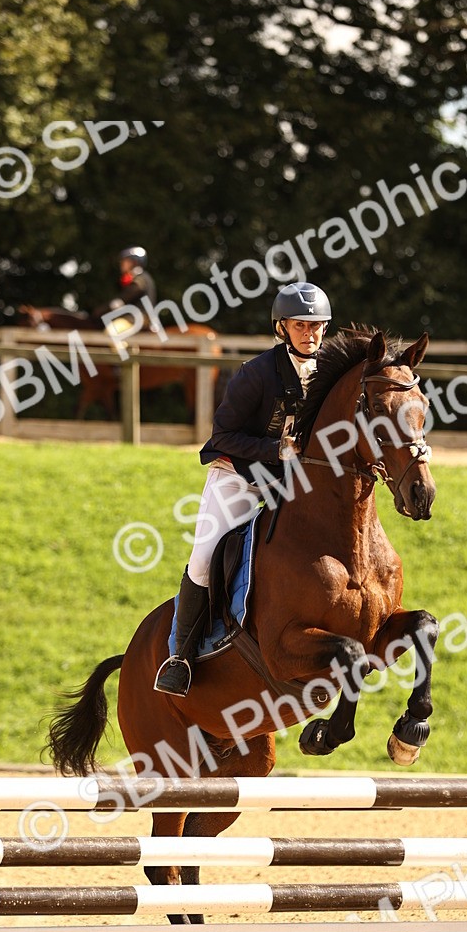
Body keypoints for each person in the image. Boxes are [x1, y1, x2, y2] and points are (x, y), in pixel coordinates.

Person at [154, 281, 332, 697]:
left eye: (318, 325)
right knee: (203, 556)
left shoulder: (330, 375)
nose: (310, 333)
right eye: (300, 325)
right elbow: (223, 434)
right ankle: (179, 656)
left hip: (292, 484)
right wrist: (277, 449)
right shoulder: (256, 373)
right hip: (239, 475)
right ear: (282, 328)